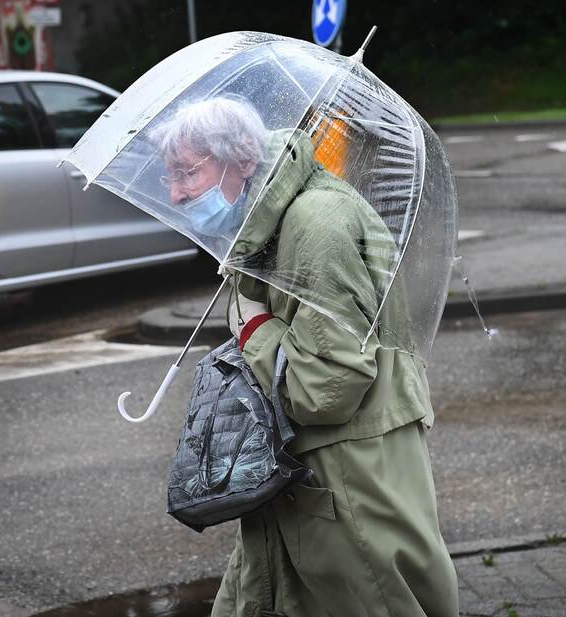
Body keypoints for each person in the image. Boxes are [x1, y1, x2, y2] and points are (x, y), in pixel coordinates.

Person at [154, 96, 459, 617]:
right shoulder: (271, 224)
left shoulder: (315, 225)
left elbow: (327, 389)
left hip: (350, 477)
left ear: (243, 160)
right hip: (311, 471)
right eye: (171, 177)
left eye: (187, 173)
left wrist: (254, 328)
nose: (177, 193)